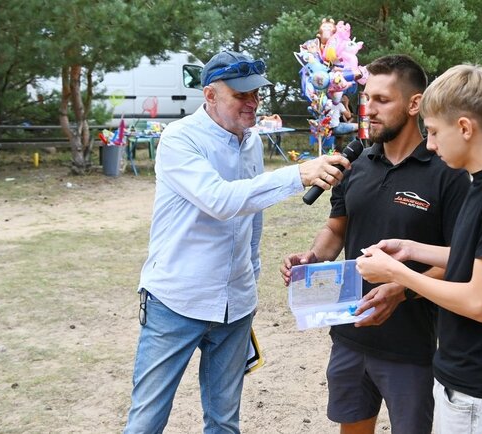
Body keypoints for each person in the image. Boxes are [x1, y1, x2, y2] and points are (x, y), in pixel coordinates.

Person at [123, 50, 352, 434]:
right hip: (176, 301)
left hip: (235, 306)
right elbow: (221, 201)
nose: (252, 102)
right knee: (147, 420)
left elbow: (252, 218)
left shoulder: (251, 141)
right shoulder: (180, 139)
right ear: (210, 95)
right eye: (241, 94)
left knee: (224, 422)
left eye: (256, 93)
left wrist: (249, 280)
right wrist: (298, 175)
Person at [280, 55, 470, 434]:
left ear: (414, 104)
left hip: (411, 345)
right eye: (367, 98)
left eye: (382, 99)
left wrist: (402, 290)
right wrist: (313, 256)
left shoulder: (446, 173)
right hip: (349, 334)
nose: (369, 109)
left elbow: (462, 259)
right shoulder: (355, 165)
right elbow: (336, 229)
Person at [355, 64, 482, 434]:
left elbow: (479, 302)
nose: (431, 144)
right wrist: (411, 250)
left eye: (436, 132)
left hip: (481, 390)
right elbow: (473, 258)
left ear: (465, 128)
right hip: (460, 380)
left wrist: (397, 275)